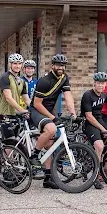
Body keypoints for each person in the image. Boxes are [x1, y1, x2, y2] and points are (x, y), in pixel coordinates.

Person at [29, 54, 77, 188]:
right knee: (51, 129)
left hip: (49, 111)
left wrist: (73, 113)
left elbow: (68, 96)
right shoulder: (44, 81)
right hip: (37, 110)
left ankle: (48, 178)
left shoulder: (64, 78)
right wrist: (52, 117)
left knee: (50, 146)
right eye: (58, 65)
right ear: (53, 66)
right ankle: (34, 155)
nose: (61, 67)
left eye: (63, 65)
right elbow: (37, 104)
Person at [81, 72, 107, 190]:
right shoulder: (88, 95)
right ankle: (95, 176)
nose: (101, 86)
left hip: (99, 121)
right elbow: (89, 116)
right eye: (98, 83)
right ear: (94, 84)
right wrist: (103, 129)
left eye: (103, 84)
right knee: (99, 145)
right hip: (89, 123)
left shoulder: (104, 95)